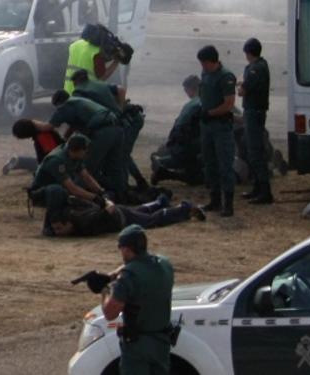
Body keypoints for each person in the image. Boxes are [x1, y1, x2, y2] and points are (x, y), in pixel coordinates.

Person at [102, 225, 176, 375]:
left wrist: (104, 290)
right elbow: (142, 264)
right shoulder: (165, 265)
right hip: (161, 342)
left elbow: (110, 313)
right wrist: (116, 273)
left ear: (127, 249)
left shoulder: (128, 278)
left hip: (137, 346)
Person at [49, 90, 127, 199]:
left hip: (103, 132)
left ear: (59, 103)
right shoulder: (80, 102)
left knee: (86, 166)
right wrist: (66, 139)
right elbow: (74, 128)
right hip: (117, 128)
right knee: (115, 166)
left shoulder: (67, 105)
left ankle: (78, 197)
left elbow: (49, 126)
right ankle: (121, 196)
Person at [195, 45, 237, 217]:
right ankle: (215, 200)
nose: (202, 67)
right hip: (207, 127)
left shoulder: (225, 77)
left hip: (221, 126)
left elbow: (229, 104)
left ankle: (228, 203)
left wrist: (210, 113)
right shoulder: (206, 74)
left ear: (212, 61)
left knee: (225, 164)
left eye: (204, 63)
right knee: (210, 163)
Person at [47, 194, 203, 238]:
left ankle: (183, 208)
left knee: (150, 221)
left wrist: (106, 201)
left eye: (59, 228)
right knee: (140, 211)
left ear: (68, 223)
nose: (58, 233)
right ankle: (159, 201)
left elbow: (109, 209)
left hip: (120, 218)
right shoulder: (71, 213)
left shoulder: (84, 222)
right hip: (121, 213)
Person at [150, 75, 205, 185]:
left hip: (179, 143)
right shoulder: (202, 103)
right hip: (188, 146)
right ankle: (162, 165)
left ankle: (162, 168)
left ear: (189, 89)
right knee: (199, 176)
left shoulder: (191, 104)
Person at [240, 38, 273, 205]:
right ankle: (258, 188)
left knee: (255, 152)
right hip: (256, 112)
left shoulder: (255, 69)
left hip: (254, 112)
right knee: (253, 150)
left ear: (248, 52)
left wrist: (241, 87)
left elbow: (243, 91)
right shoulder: (261, 65)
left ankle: (264, 190)